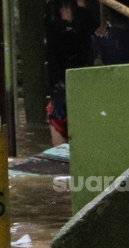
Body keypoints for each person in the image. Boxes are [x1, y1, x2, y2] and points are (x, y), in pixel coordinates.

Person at [44, 0, 100, 146]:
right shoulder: (53, 12)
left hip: (79, 83)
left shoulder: (85, 15)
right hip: (62, 85)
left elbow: (87, 29)